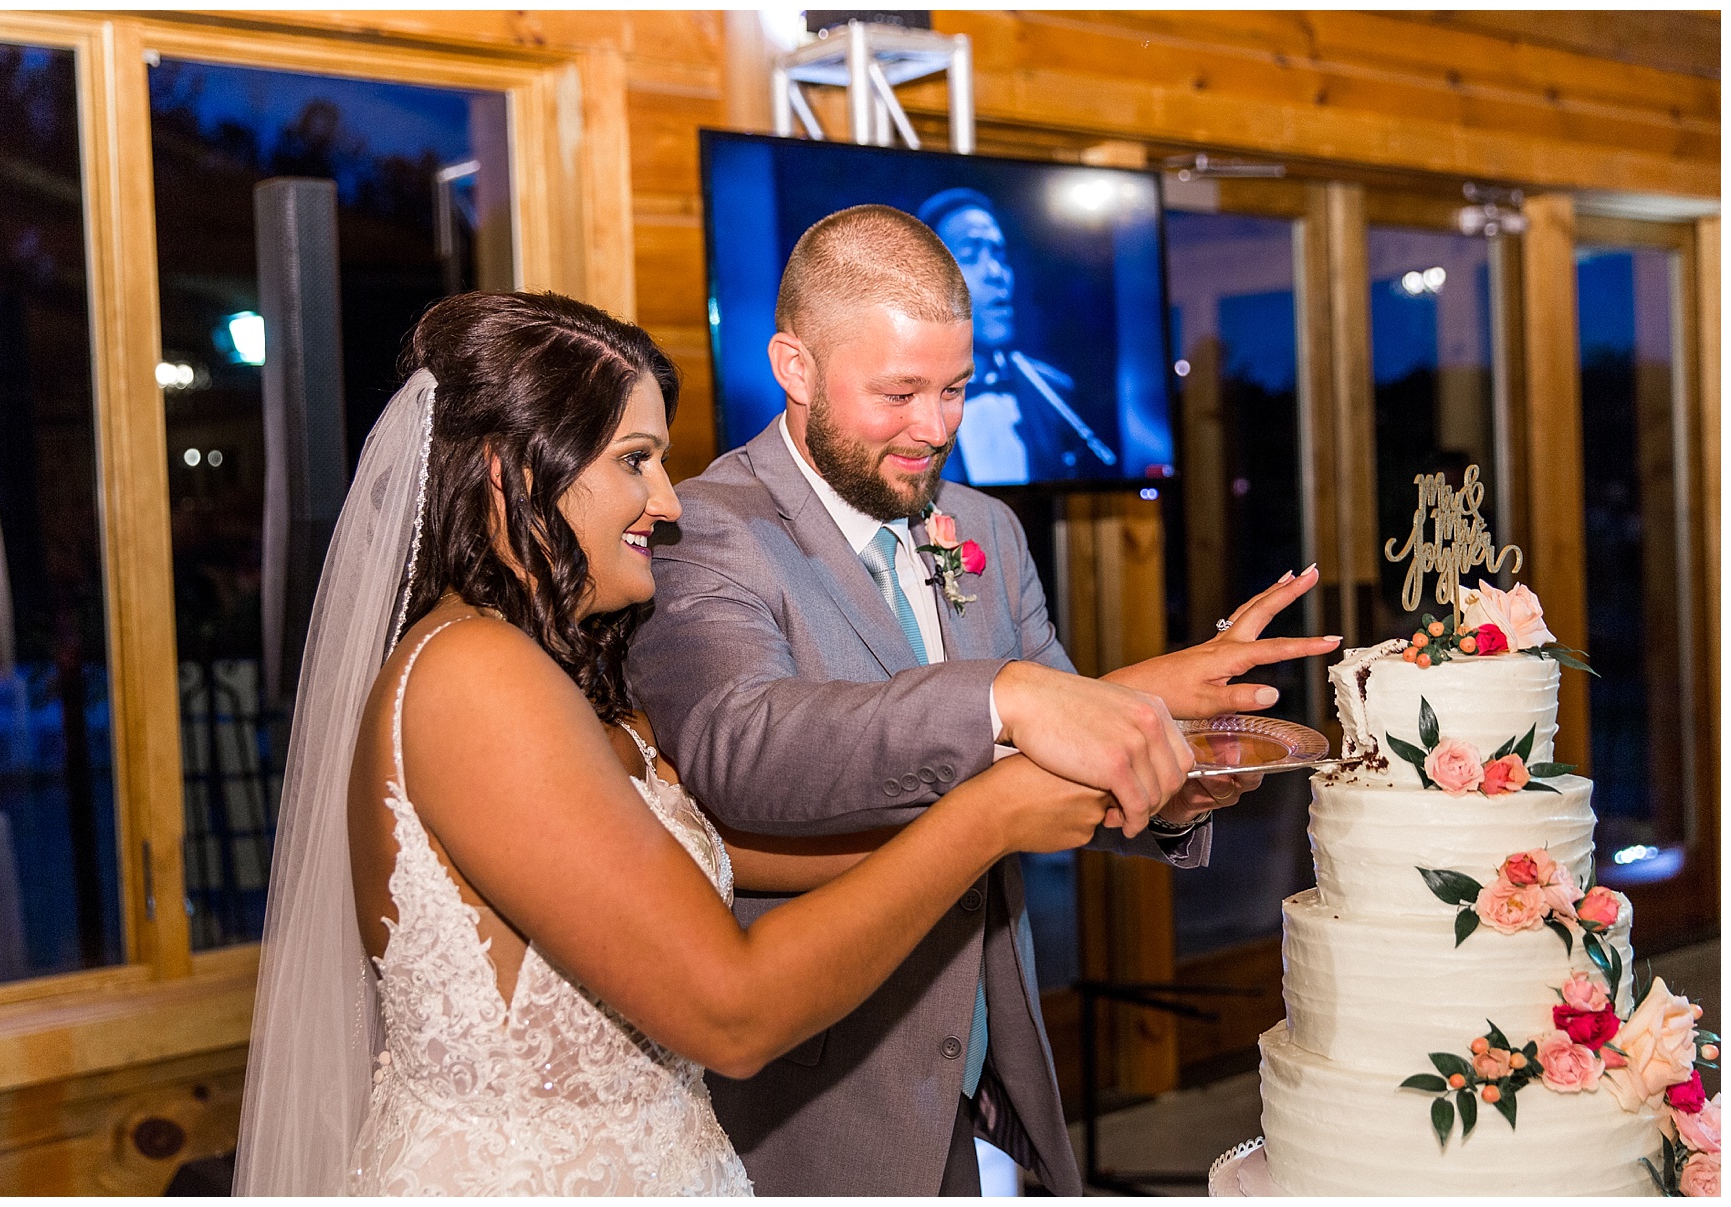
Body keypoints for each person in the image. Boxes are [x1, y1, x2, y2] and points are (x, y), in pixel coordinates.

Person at [232, 291, 1155, 1196]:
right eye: (635, 460)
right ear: (515, 472)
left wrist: (1100, 743)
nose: (667, 502)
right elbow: (734, 1010)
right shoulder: (473, 675)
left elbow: (729, 855)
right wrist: (988, 817)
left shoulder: (547, 671)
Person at [626, 204, 1337, 1195]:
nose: (939, 426)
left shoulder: (984, 528)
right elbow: (743, 754)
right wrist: (1000, 694)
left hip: (982, 1057)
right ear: (793, 367)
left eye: (956, 387)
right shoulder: (702, 531)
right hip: (819, 1090)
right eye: (900, 392)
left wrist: (1164, 785)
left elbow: (1044, 758)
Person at [917, 187, 1115, 485]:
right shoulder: (902, 401)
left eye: (1000, 254)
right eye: (971, 255)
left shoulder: (1053, 391)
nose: (996, 273)